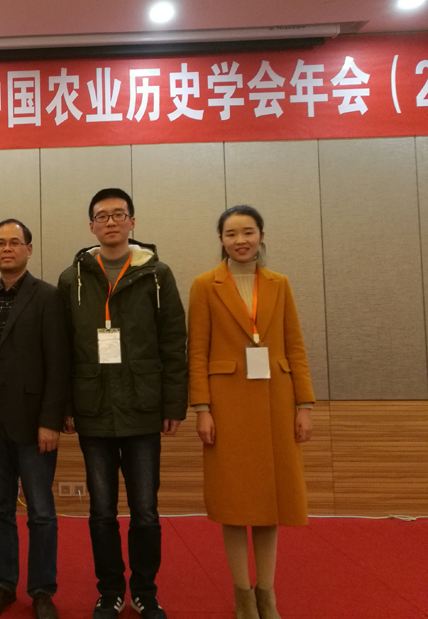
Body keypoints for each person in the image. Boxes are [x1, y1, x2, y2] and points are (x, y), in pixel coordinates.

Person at [58, 188, 188, 619]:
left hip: (143, 407)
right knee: (101, 511)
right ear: (91, 226)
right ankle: (110, 591)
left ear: (132, 222)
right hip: (93, 407)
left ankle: (145, 592)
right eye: (102, 216)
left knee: (146, 511)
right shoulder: (72, 279)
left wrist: (173, 404)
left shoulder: (157, 275)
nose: (111, 222)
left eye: (119, 214)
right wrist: (65, 405)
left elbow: (174, 340)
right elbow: (62, 348)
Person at [187, 205, 314, 619]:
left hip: (277, 401)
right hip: (227, 407)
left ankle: (266, 594)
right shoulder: (205, 285)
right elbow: (197, 351)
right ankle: (243, 595)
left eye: (248, 232)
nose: (240, 240)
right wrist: (202, 408)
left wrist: (304, 404)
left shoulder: (280, 283)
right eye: (231, 234)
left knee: (270, 505)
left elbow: (295, 346)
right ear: (221, 239)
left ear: (261, 235)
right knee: (234, 504)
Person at [0, 219, 71, 619]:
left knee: (41, 511)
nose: (7, 249)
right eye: (1, 243)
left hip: (34, 422)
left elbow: (59, 362)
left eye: (15, 242)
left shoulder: (47, 296)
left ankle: (42, 589)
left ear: (29, 249)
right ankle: (4, 584)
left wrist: (51, 419)